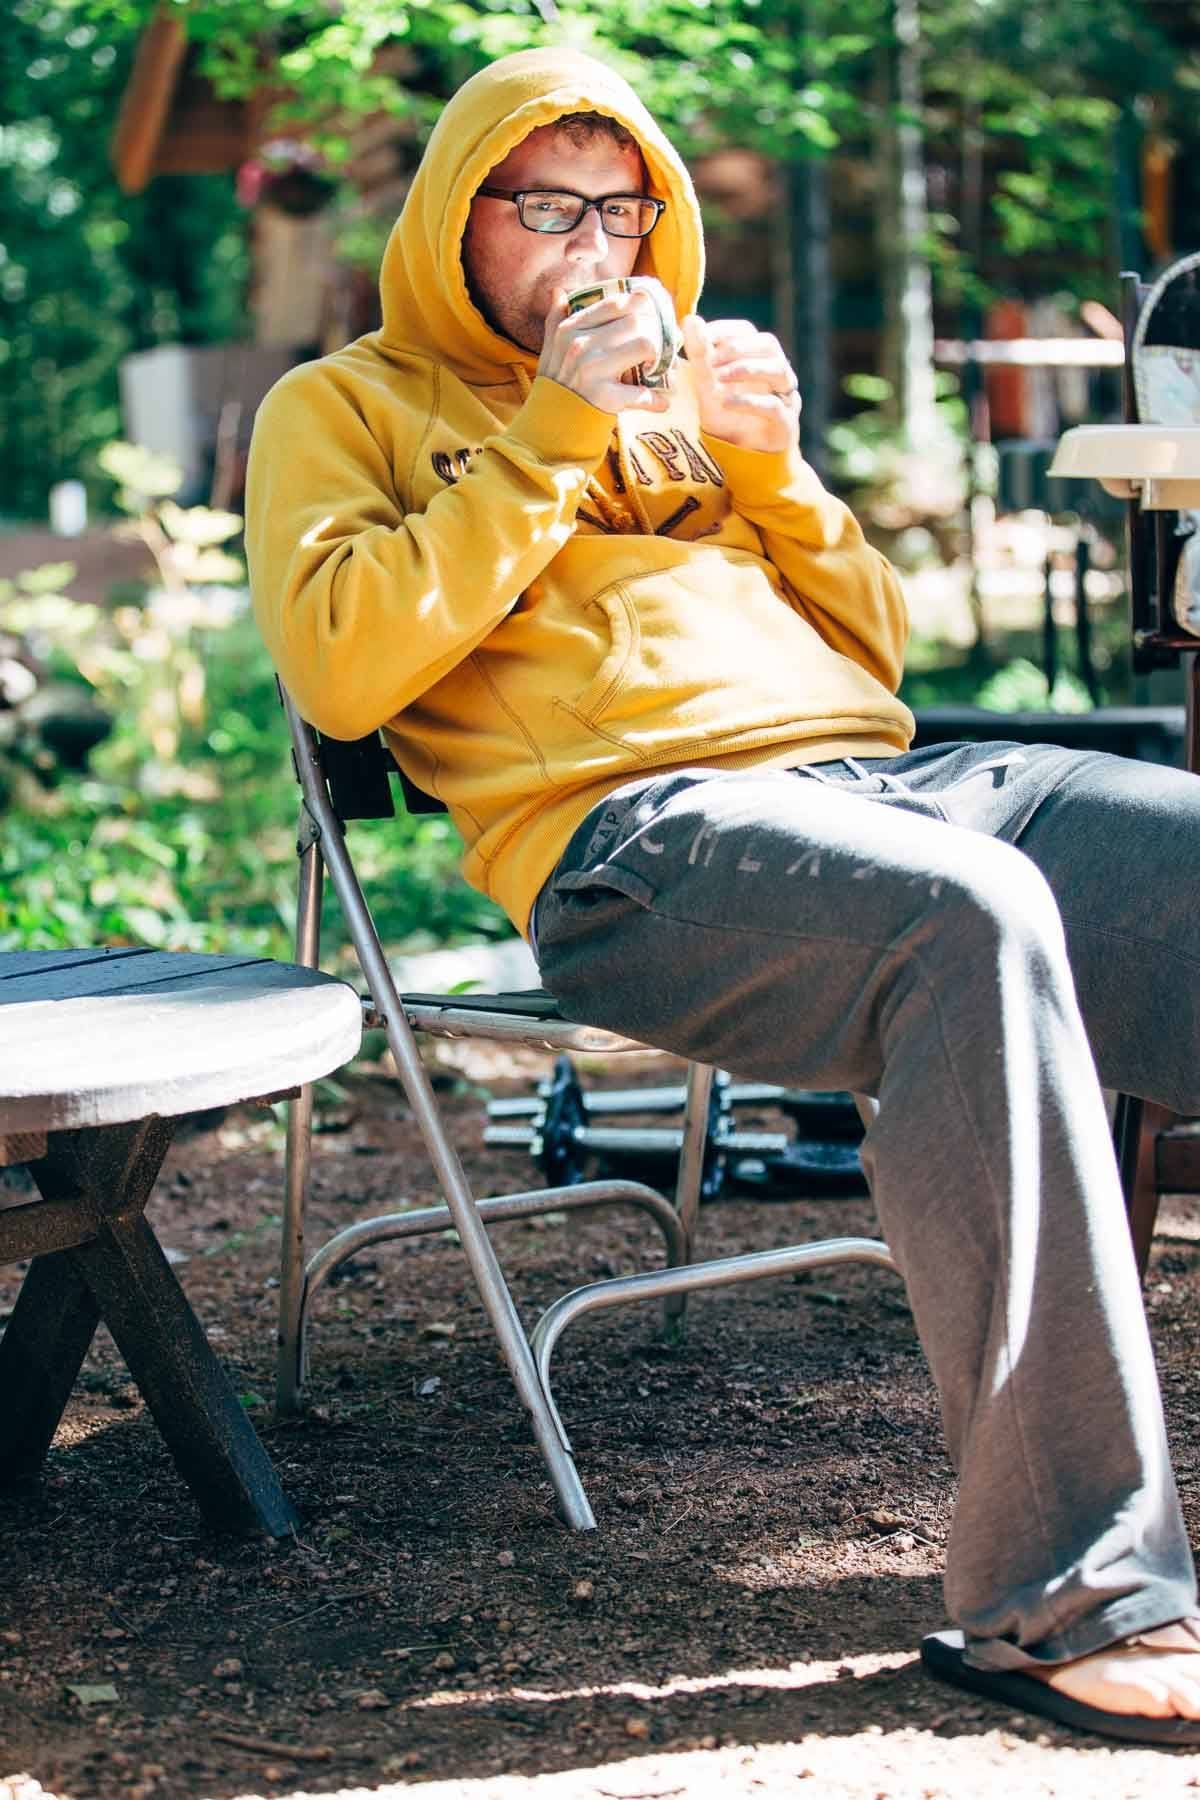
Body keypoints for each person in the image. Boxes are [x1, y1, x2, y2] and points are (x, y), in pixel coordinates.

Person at [246, 47, 1200, 1743]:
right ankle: (1065, 1601)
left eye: (622, 206)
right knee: (964, 918)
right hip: (644, 842)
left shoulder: (696, 405)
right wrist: (551, 433)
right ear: (459, 227)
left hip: (890, 783)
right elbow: (341, 669)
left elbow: (876, 662)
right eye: (547, 206)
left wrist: (775, 470)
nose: (593, 241)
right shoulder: (349, 409)